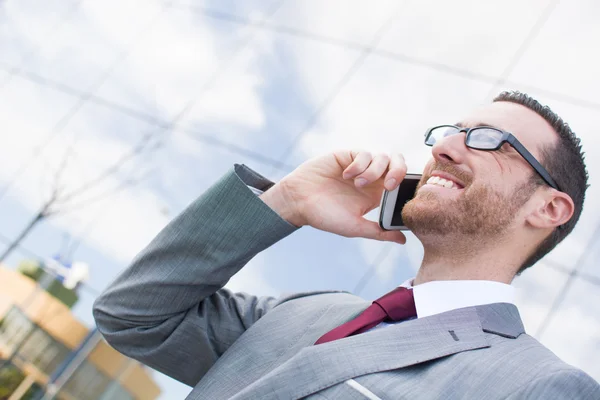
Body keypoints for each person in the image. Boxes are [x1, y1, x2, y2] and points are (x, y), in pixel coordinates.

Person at [93, 91, 599, 399]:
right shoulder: (309, 311)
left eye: (490, 140)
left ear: (548, 209)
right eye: (453, 133)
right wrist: (287, 201)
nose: (444, 148)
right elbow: (132, 315)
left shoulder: (542, 388)